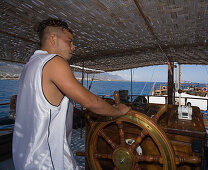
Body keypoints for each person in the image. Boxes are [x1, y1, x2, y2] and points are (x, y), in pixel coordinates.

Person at [12, 18, 130, 170]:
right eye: (70, 41)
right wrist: (117, 110)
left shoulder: (31, 65)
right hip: (47, 160)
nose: (73, 47)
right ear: (53, 39)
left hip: (25, 158)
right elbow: (90, 102)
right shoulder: (54, 61)